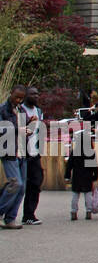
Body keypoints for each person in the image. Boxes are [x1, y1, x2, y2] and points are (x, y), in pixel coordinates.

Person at [0, 85, 32, 230]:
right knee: (16, 184)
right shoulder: (2, 109)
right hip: (9, 151)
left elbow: (22, 128)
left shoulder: (21, 110)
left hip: (21, 151)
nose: (18, 100)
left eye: (21, 98)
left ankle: (10, 218)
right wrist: (17, 130)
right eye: (16, 97)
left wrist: (29, 127)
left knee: (22, 188)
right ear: (11, 94)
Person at [64, 116, 98, 220]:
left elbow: (69, 165)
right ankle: (88, 211)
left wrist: (67, 175)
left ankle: (73, 212)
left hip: (77, 176)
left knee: (75, 195)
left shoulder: (75, 152)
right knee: (88, 194)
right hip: (87, 176)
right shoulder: (90, 153)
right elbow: (94, 166)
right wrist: (95, 176)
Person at [20, 88, 44, 224]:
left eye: (37, 93)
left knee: (36, 182)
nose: (36, 96)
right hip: (22, 152)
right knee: (18, 184)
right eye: (33, 94)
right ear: (25, 96)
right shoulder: (19, 110)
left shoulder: (39, 111)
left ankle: (29, 215)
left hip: (34, 152)